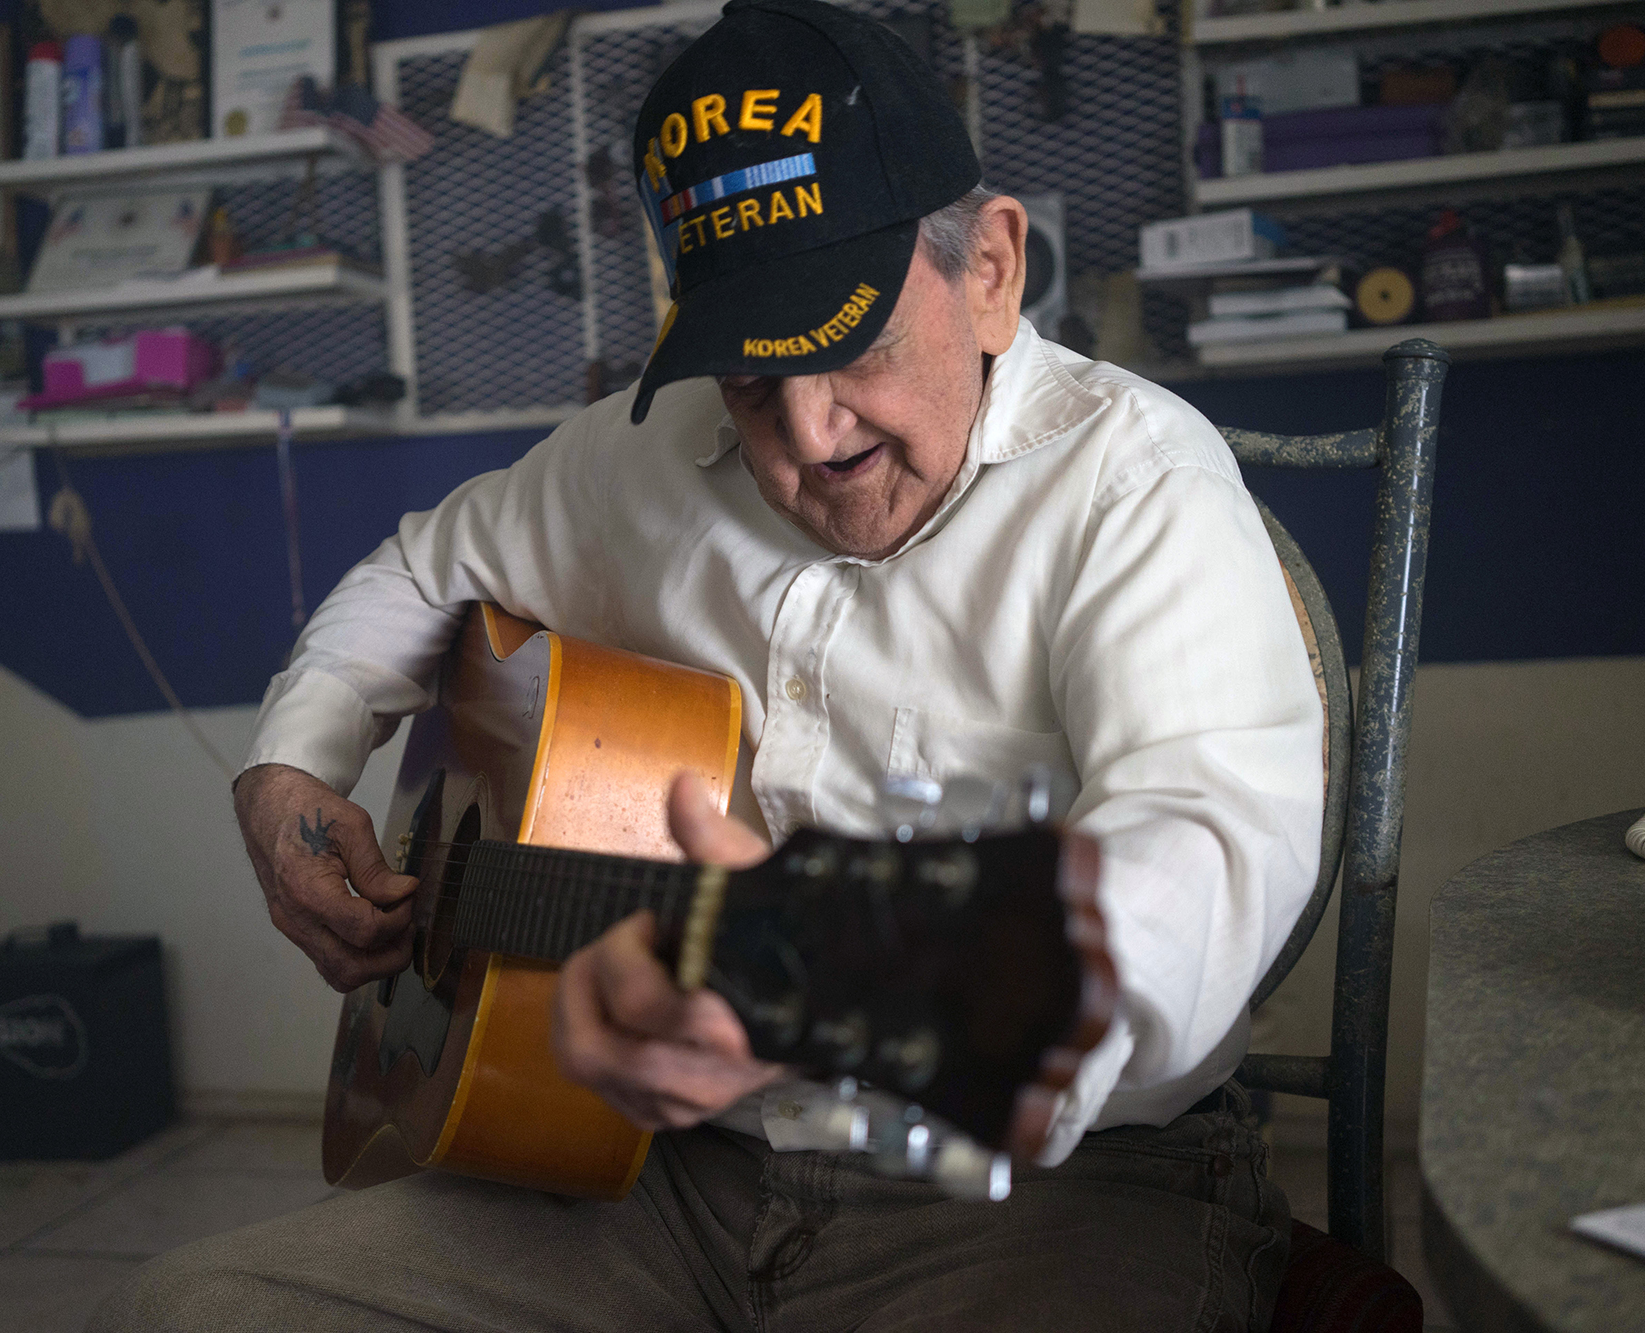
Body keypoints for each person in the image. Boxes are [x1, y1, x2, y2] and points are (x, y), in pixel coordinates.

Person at [92, 2, 1321, 1328]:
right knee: (187, 1307)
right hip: (659, 1186)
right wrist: (291, 763)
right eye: (749, 373)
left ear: (992, 270)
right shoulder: (643, 458)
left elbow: (1202, 870)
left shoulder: (1137, 485)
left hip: (1048, 1193)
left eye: (852, 342)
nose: (808, 430)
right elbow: (420, 569)